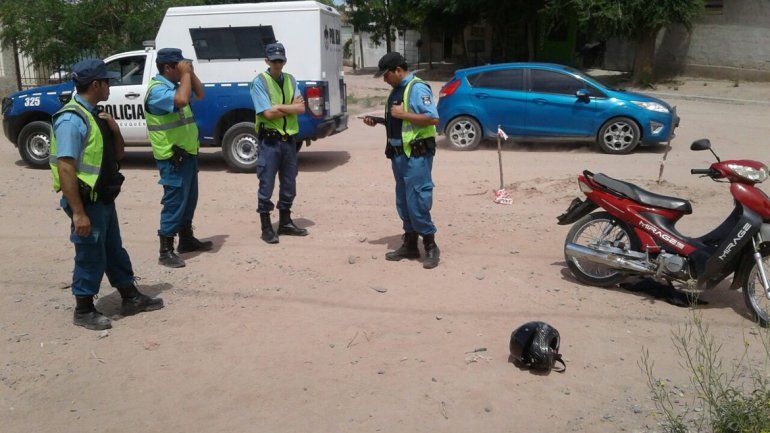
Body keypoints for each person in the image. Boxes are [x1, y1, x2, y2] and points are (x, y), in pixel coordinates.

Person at [50, 59, 164, 330]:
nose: (111, 85)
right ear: (95, 85)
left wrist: (114, 129)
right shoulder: (71, 119)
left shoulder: (97, 115)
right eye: (107, 81)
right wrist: (78, 212)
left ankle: (130, 296)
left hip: (102, 198)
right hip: (86, 202)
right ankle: (84, 309)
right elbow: (66, 168)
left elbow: (118, 154)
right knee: (90, 252)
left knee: (113, 249)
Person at [363, 52, 440, 269]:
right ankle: (410, 243)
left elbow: (433, 118)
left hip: (416, 155)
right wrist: (379, 121)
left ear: (398, 70)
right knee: (404, 201)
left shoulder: (416, 88)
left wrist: (404, 115)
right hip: (398, 155)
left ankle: (431, 244)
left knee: (417, 199)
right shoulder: (397, 90)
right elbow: (397, 121)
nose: (384, 79)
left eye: (386, 75)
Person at [145, 48, 212, 268]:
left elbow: (200, 93)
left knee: (189, 200)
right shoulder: (157, 90)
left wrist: (189, 74)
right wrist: (185, 76)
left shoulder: (175, 85)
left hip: (187, 155)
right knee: (174, 202)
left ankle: (186, 239)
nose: (183, 68)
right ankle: (165, 250)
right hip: (172, 158)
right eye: (179, 66)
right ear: (167, 67)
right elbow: (182, 101)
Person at [250, 42, 308, 244]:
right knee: (266, 183)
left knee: (289, 183)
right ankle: (266, 227)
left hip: (289, 141)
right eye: (274, 60)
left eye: (280, 60)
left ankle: (285, 222)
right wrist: (290, 106)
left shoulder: (291, 80)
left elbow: (301, 109)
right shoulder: (260, 82)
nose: (277, 63)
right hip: (270, 141)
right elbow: (267, 113)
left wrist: (279, 107)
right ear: (267, 60)